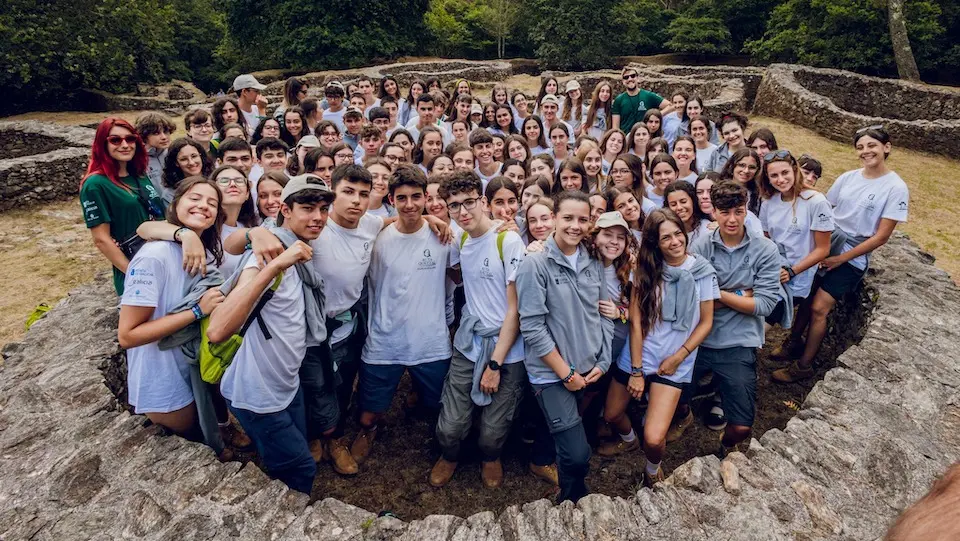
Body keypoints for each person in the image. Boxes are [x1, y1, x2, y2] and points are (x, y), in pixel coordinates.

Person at [207, 175, 334, 495]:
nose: (318, 217)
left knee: (289, 451)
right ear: (285, 210)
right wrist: (276, 265)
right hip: (257, 394)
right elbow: (219, 329)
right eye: (307, 208)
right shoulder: (267, 255)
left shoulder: (293, 248)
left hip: (286, 385)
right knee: (300, 468)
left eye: (322, 208)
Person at [772, 126, 908, 383]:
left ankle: (804, 365)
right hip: (829, 244)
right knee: (808, 297)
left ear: (886, 147)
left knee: (820, 307)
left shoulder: (895, 188)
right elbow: (825, 209)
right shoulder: (849, 177)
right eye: (860, 147)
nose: (866, 151)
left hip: (851, 256)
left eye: (872, 146)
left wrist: (840, 259)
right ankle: (793, 343)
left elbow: (881, 237)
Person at [601, 208, 716, 488]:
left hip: (676, 358)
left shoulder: (702, 271)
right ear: (655, 242)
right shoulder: (645, 272)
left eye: (678, 234)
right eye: (666, 238)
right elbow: (637, 324)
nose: (675, 241)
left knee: (654, 438)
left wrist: (678, 357)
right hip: (640, 352)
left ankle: (653, 468)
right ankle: (629, 441)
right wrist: (637, 371)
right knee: (612, 414)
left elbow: (706, 322)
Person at [351, 165, 459, 464]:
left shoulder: (444, 238)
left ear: (426, 197)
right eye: (402, 198)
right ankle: (367, 431)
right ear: (391, 199)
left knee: (440, 405)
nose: (409, 204)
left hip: (431, 340)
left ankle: (445, 445)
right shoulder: (378, 237)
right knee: (370, 410)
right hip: (385, 340)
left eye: (416, 197)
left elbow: (460, 274)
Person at [515, 189, 614, 503]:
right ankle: (573, 499)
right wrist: (566, 373)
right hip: (552, 373)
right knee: (576, 454)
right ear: (554, 218)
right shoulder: (536, 264)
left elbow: (605, 313)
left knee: (569, 436)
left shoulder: (593, 260)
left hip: (590, 368)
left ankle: (567, 491)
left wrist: (604, 360)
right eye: (568, 218)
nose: (575, 225)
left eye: (582, 219)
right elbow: (531, 326)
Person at [430, 170, 527, 488]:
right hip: (469, 341)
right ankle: (450, 454)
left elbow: (515, 310)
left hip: (506, 347)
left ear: (483, 202)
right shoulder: (459, 237)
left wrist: (496, 365)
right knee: (450, 428)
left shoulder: (508, 240)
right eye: (454, 205)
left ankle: (491, 457)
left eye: (469, 202)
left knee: (492, 431)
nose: (463, 211)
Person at [675, 181, 781, 455]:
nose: (732, 219)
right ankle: (686, 412)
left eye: (738, 211)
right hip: (699, 337)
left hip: (739, 341)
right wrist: (742, 293)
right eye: (725, 212)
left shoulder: (766, 250)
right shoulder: (700, 245)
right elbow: (692, 301)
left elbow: (765, 304)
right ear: (714, 212)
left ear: (746, 210)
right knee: (674, 394)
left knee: (742, 426)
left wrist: (716, 294)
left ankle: (725, 447)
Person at [117, 177, 225, 436]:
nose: (203, 206)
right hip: (162, 374)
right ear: (175, 204)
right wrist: (197, 311)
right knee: (190, 442)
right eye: (194, 198)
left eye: (212, 202)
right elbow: (128, 335)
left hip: (192, 364)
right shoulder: (154, 257)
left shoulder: (203, 253)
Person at [81, 118, 166, 295]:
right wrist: (135, 274)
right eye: (115, 140)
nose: (125, 145)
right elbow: (101, 239)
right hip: (136, 265)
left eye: (130, 139)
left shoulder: (140, 175)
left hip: (162, 258)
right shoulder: (96, 184)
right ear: (102, 144)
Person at [757, 150, 834, 330]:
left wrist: (791, 271)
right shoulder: (769, 201)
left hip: (797, 276)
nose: (780, 179)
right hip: (772, 270)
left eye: (785, 173)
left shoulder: (816, 202)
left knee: (760, 327)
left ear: (794, 171)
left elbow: (823, 249)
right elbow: (766, 237)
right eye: (774, 175)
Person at [612, 66, 671, 134]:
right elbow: (615, 127)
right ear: (623, 81)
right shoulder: (619, 100)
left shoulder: (648, 96)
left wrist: (656, 115)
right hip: (626, 138)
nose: (630, 79)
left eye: (633, 76)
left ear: (638, 78)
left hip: (646, 136)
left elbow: (670, 106)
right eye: (626, 77)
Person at [160, 138, 213, 205]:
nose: (191, 162)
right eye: (184, 159)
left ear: (201, 156)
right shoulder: (170, 194)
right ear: (176, 163)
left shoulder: (216, 180)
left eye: (194, 156)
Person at [135, 112, 175, 196]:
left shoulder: (174, 153)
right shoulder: (137, 160)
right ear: (144, 136)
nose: (164, 137)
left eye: (166, 131)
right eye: (156, 133)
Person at [664, 180, 710, 245]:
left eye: (683, 202)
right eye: (673, 204)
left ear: (693, 201)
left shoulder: (707, 228)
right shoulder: (666, 231)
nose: (679, 207)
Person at [720, 148, 763, 215]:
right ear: (732, 166)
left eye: (752, 167)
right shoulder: (719, 190)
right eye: (742, 165)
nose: (746, 171)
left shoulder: (757, 195)